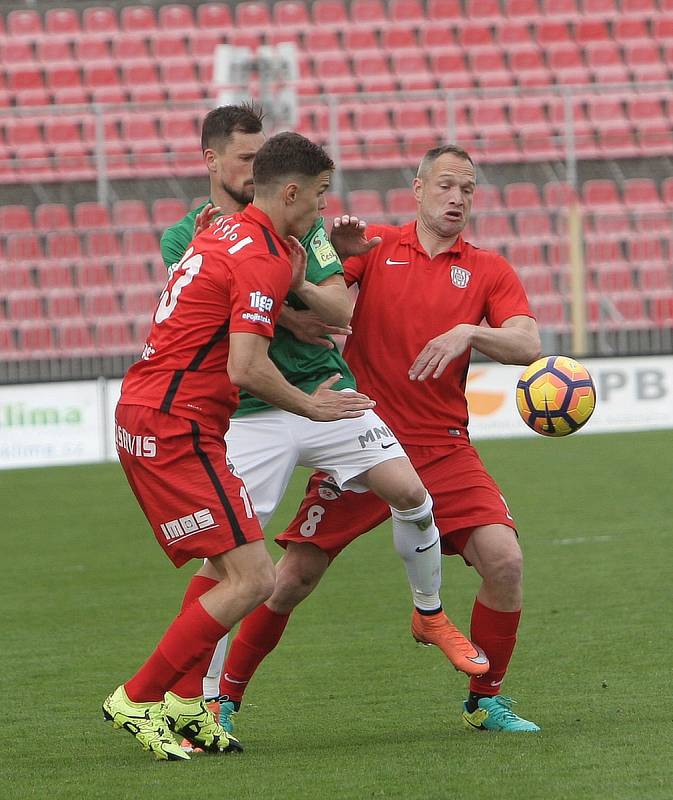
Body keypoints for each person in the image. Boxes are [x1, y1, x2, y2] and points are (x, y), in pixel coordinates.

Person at [161, 107, 489, 747]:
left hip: (329, 392)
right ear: (212, 162)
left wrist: (292, 285)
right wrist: (286, 305)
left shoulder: (303, 225)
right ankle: (194, 701)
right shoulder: (186, 235)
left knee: (413, 495)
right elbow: (212, 308)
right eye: (244, 158)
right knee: (233, 566)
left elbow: (338, 307)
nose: (254, 168)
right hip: (254, 410)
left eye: (263, 159)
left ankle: (428, 614)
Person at [218, 144, 544, 734]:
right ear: (416, 189)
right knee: (291, 578)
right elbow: (322, 301)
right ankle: (225, 700)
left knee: (506, 561)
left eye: (467, 189)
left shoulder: (490, 269)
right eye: (445, 185)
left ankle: (485, 700)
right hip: (364, 439)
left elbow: (527, 345)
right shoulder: (376, 245)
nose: (457, 198)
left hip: (445, 446)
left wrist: (469, 331)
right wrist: (330, 260)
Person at [102, 132, 377, 762]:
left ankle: (184, 703)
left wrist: (295, 271)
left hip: (161, 415)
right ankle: (139, 698)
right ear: (290, 192)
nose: (323, 209)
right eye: (319, 195)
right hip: (175, 424)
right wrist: (313, 405)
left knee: (229, 569)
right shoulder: (257, 256)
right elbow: (246, 368)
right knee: (255, 577)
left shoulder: (225, 233)